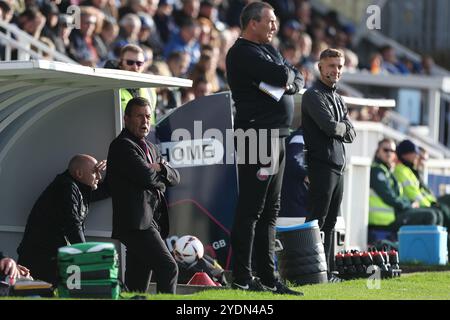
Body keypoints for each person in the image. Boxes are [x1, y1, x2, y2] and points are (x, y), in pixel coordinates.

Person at [226, 2, 304, 295]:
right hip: (255, 136)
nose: (275, 26)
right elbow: (285, 77)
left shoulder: (269, 51)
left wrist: (289, 78)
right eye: (270, 21)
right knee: (251, 209)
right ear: (252, 23)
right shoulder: (241, 53)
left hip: (278, 136)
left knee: (271, 210)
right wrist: (288, 78)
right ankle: (242, 277)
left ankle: (267, 277)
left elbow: (297, 75)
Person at [106, 97, 180, 294]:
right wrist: (161, 175)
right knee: (168, 267)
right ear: (126, 119)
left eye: (148, 116)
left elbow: (175, 177)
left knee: (137, 286)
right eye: (139, 116)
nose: (145, 121)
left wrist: (161, 168)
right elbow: (148, 178)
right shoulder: (122, 145)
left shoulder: (152, 148)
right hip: (137, 224)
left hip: (150, 221)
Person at [301, 48, 356, 282]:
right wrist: (342, 126)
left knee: (331, 222)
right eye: (331, 65)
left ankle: (328, 271)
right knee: (316, 220)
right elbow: (331, 127)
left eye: (339, 66)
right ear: (320, 67)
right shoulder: (313, 95)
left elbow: (352, 133)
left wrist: (341, 126)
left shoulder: (338, 97)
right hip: (322, 165)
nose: (336, 70)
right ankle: (306, 269)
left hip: (338, 166)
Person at [17, 155, 108, 285]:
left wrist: (112, 166)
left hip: (48, 256)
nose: (99, 177)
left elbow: (107, 189)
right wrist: (86, 256)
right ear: (79, 173)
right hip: (42, 258)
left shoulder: (80, 188)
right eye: (95, 172)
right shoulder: (67, 188)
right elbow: (73, 225)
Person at [369, 138, 443, 232]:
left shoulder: (386, 170)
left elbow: (398, 195)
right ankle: (422, 246)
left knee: (437, 214)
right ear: (378, 152)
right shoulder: (377, 171)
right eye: (385, 150)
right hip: (384, 220)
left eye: (392, 151)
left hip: (394, 215)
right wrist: (408, 205)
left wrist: (410, 202)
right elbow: (389, 196)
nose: (389, 153)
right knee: (430, 215)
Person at [117, 44, 157, 125]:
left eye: (139, 63)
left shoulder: (150, 90)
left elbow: (151, 122)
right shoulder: (111, 87)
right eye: (130, 62)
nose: (135, 67)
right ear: (120, 63)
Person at [279, 128, 309, 218]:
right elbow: (293, 162)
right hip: (295, 210)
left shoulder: (299, 136)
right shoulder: (300, 137)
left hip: (294, 208)